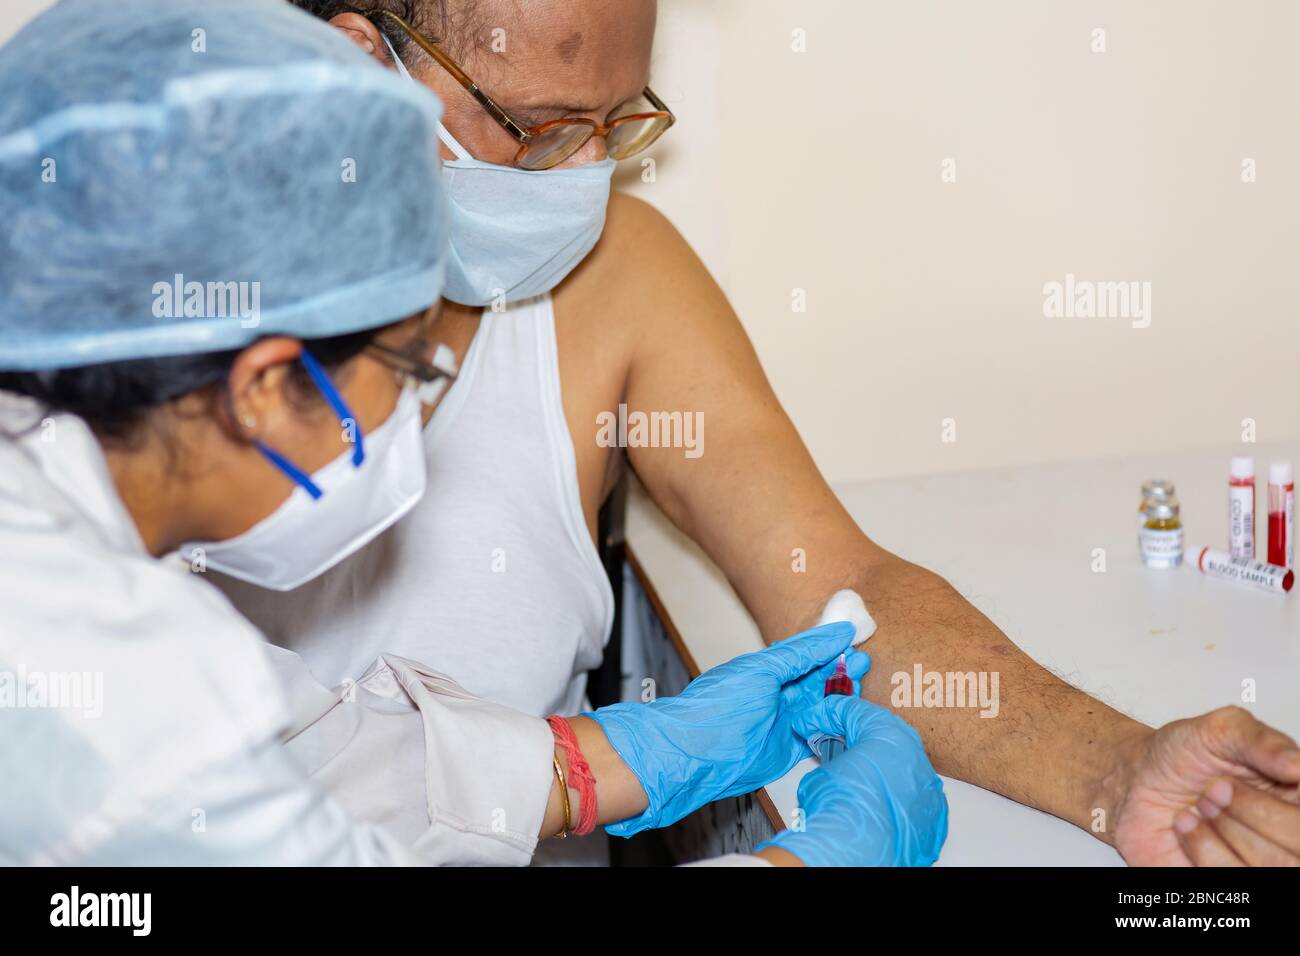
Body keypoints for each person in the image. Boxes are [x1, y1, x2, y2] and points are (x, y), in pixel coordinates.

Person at [221, 0, 1300, 867]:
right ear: (365, 58)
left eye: (617, 123)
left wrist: (1116, 768)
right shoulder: (153, 339)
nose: (583, 176)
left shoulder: (612, 276)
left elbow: (841, 583)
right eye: (543, 128)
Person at [0, 0, 948, 867]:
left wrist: (622, 759)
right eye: (410, 369)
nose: (417, 422)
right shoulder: (101, 699)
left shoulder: (54, 540)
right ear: (261, 389)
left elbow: (315, 751)